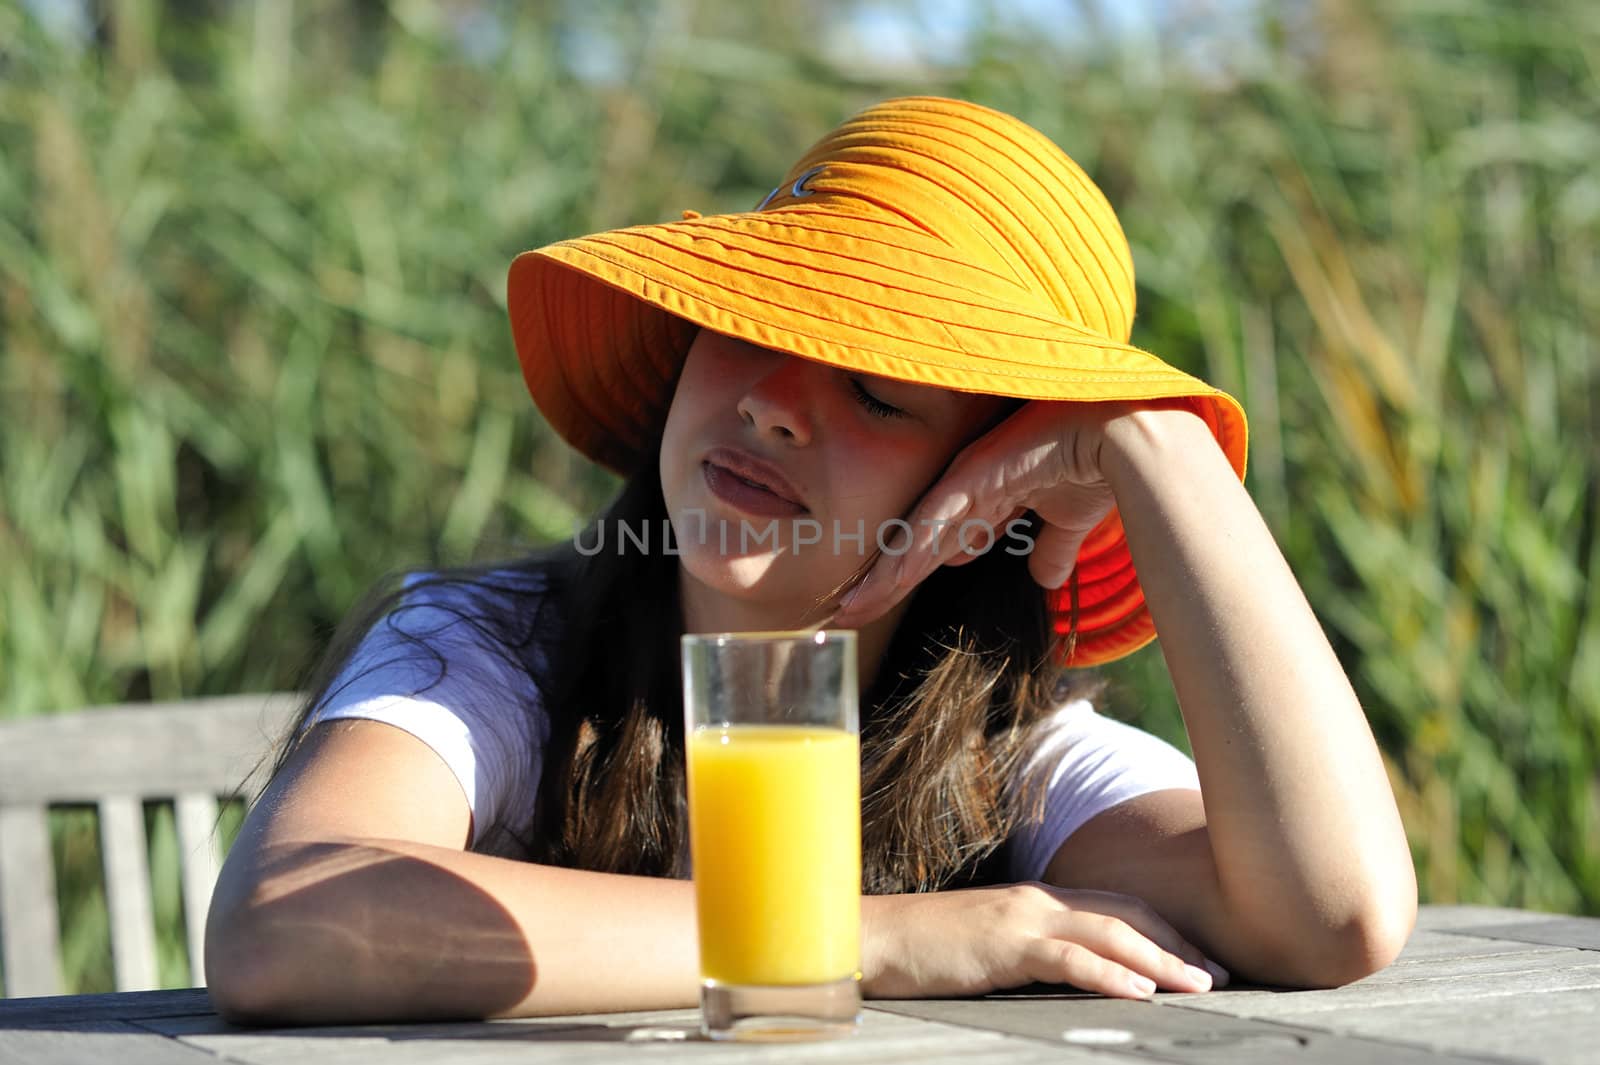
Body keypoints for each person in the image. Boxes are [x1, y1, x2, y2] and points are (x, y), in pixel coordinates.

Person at [204, 96, 1416, 1025]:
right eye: (748, 328)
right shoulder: (491, 652)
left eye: (878, 392)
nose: (775, 406)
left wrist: (1149, 442)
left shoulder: (1011, 757)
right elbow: (284, 922)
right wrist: (874, 937)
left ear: (981, 487)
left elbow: (1333, 916)